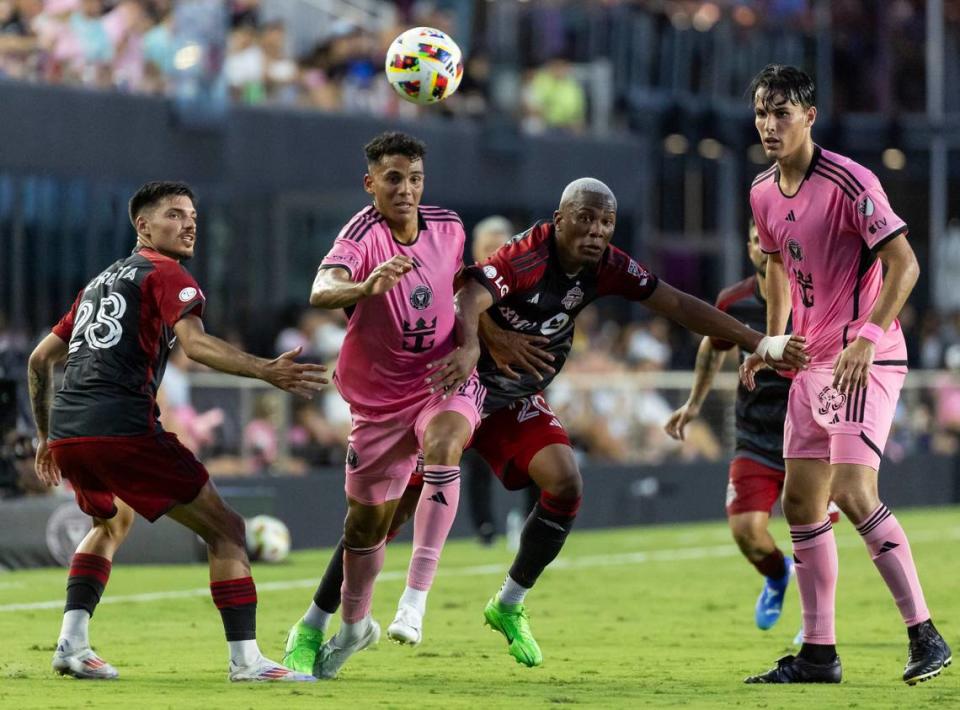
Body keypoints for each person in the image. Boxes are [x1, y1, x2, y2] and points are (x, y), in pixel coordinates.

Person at [302, 176, 809, 669]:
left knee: (565, 482)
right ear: (559, 219)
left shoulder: (607, 265)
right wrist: (486, 341)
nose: (595, 231)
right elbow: (469, 296)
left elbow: (675, 303)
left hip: (511, 399)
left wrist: (761, 342)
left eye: (606, 222)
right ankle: (313, 624)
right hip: (449, 391)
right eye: (584, 219)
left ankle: (508, 603)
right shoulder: (527, 253)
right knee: (378, 520)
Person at [26, 181, 326, 682]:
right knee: (227, 528)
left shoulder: (99, 282)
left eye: (192, 216)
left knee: (110, 524)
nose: (189, 223)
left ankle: (71, 644)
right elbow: (197, 345)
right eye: (174, 215)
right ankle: (246, 661)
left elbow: (40, 360)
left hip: (70, 432)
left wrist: (44, 438)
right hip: (122, 427)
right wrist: (266, 370)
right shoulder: (166, 273)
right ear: (143, 226)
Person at [739, 64, 951, 685]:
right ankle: (819, 654)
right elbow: (776, 267)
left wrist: (866, 336)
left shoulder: (851, 182)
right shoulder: (760, 191)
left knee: (853, 492)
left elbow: (905, 265)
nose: (769, 124)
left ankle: (925, 636)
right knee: (801, 501)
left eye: (781, 113)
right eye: (761, 112)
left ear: (810, 116)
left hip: (867, 358)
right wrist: (771, 341)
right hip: (810, 363)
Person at [283, 131, 484, 679]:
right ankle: (352, 628)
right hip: (377, 403)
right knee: (364, 529)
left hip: (440, 381)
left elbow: (462, 291)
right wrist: (363, 287)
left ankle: (414, 603)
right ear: (370, 183)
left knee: (444, 445)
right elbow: (322, 289)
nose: (406, 189)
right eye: (393, 178)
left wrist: (470, 344)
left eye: (415, 178)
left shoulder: (449, 226)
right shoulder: (362, 234)